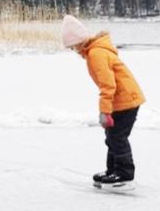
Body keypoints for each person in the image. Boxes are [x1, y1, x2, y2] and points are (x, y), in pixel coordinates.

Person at [61, 14, 146, 188]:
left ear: (79, 41)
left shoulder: (95, 54)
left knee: (117, 137)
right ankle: (113, 171)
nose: (73, 50)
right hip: (124, 99)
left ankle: (125, 176)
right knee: (112, 136)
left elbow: (108, 85)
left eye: (72, 46)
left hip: (126, 100)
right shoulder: (95, 51)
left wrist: (105, 112)